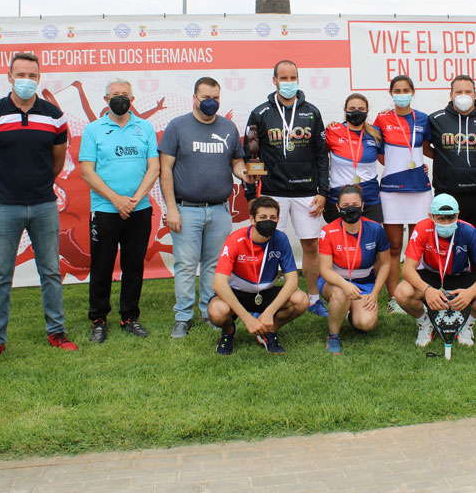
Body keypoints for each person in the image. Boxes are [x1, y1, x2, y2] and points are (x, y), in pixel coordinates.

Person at [0, 52, 77, 363]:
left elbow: (56, 163)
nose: (26, 80)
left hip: (44, 205)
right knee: (1, 275)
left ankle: (56, 332)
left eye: (32, 75)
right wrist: (6, 190)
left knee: (51, 272)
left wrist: (37, 187)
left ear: (39, 77)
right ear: (9, 76)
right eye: (21, 75)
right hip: (4, 207)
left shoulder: (54, 116)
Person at [159, 77, 252, 339]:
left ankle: (209, 311)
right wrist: (171, 208)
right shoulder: (177, 126)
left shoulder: (228, 127)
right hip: (186, 208)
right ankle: (183, 316)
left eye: (216, 98)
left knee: (215, 265)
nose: (212, 103)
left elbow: (236, 161)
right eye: (206, 98)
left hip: (220, 210)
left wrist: (244, 174)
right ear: (194, 98)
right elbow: (165, 169)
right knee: (186, 265)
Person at [244, 60, 329, 317]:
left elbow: (321, 156)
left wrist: (323, 192)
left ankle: (313, 298)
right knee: (266, 245)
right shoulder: (260, 113)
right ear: (274, 80)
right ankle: (265, 295)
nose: (289, 82)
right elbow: (251, 155)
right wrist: (251, 195)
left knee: (311, 246)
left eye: (293, 77)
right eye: (284, 77)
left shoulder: (312, 112)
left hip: (307, 193)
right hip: (272, 193)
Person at [79, 78, 160, 342]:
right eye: (115, 94)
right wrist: (116, 199)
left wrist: (134, 199)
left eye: (125, 94)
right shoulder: (93, 130)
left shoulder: (145, 127)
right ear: (105, 100)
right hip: (105, 209)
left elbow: (154, 168)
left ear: (133, 100)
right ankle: (99, 319)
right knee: (101, 266)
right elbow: (87, 171)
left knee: (134, 265)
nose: (121, 98)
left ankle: (129, 317)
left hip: (139, 209)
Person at [395, 194, 476, 347]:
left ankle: (466, 324)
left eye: (451, 218)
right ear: (431, 216)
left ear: (458, 215)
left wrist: (470, 292)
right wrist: (427, 290)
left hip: (460, 275)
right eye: (440, 218)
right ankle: (426, 323)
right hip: (431, 275)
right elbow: (407, 269)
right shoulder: (422, 228)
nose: (446, 223)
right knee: (402, 292)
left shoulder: (468, 230)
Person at [208, 196, 309, 355]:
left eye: (272, 218)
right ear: (252, 220)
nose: (268, 221)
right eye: (263, 217)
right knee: (217, 311)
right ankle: (228, 332)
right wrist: (247, 320)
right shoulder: (236, 239)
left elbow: (292, 281)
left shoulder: (280, 238)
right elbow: (219, 284)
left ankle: (268, 331)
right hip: (238, 292)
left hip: (265, 292)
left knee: (301, 300)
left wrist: (269, 313)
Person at [428, 74, 476, 260]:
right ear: (451, 94)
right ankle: (449, 281)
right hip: (447, 193)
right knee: (447, 243)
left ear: (475, 93)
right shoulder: (436, 119)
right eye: (459, 91)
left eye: (467, 91)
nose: (463, 95)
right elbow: (418, 144)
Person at [372, 75, 433, 314]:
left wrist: (418, 164)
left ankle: (420, 292)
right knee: (394, 247)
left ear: (413, 92)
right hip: (391, 190)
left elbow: (427, 149)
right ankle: (395, 297)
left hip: (419, 189)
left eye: (406, 89)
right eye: (397, 90)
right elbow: (376, 151)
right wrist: (397, 166)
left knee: (419, 246)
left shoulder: (423, 119)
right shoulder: (382, 119)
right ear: (391, 93)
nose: (401, 93)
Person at [317, 185, 391, 354]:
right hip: (334, 281)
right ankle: (333, 335)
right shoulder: (328, 231)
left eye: (355, 205)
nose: (350, 209)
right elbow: (325, 270)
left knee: (366, 323)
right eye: (345, 206)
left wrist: (375, 293)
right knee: (341, 294)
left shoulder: (375, 229)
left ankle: (351, 313)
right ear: (337, 208)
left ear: (363, 206)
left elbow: (386, 263)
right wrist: (344, 284)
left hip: (364, 283)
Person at [324, 94, 383, 223]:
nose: (356, 112)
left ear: (367, 112)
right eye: (352, 108)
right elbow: (319, 161)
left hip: (370, 199)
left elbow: (389, 158)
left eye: (361, 109)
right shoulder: (332, 131)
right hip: (338, 199)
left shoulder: (376, 133)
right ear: (345, 111)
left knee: (371, 240)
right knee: (340, 240)